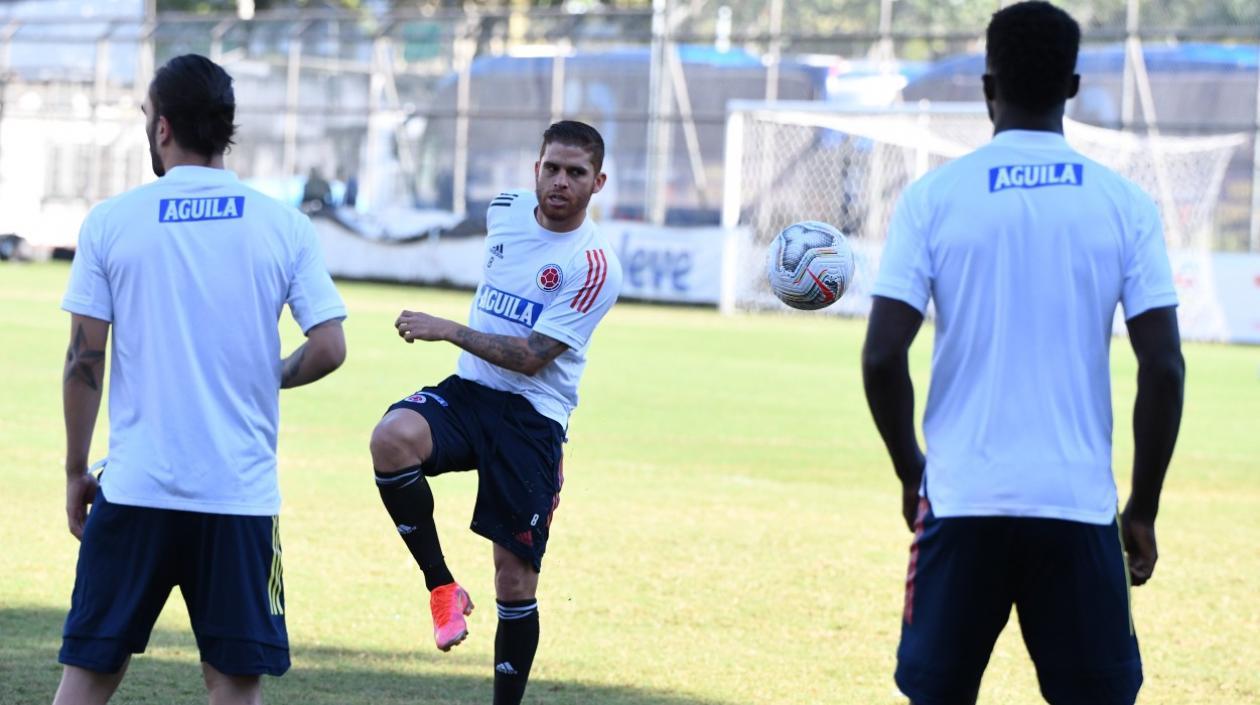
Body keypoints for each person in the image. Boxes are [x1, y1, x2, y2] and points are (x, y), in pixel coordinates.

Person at [861, 3, 1185, 704]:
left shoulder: (932, 198)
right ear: (1073, 87)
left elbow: (883, 355)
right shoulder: (1125, 204)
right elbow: (1163, 366)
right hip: (1077, 505)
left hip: (961, 500)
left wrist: (913, 472)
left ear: (988, 86)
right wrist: (1142, 509)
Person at [56, 54, 347, 705]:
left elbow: (84, 360)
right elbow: (329, 347)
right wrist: (267, 375)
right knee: (233, 683)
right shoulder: (283, 224)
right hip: (237, 496)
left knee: (89, 674)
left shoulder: (112, 221)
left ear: (161, 126)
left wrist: (76, 469)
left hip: (135, 489)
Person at [369, 120, 621, 705]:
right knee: (391, 439)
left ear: (598, 182)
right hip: (471, 392)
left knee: (514, 581)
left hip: (533, 416)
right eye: (552, 168)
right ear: (536, 169)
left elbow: (532, 357)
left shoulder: (594, 265)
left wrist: (450, 329)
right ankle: (442, 588)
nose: (560, 182)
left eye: (576, 173)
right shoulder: (504, 210)